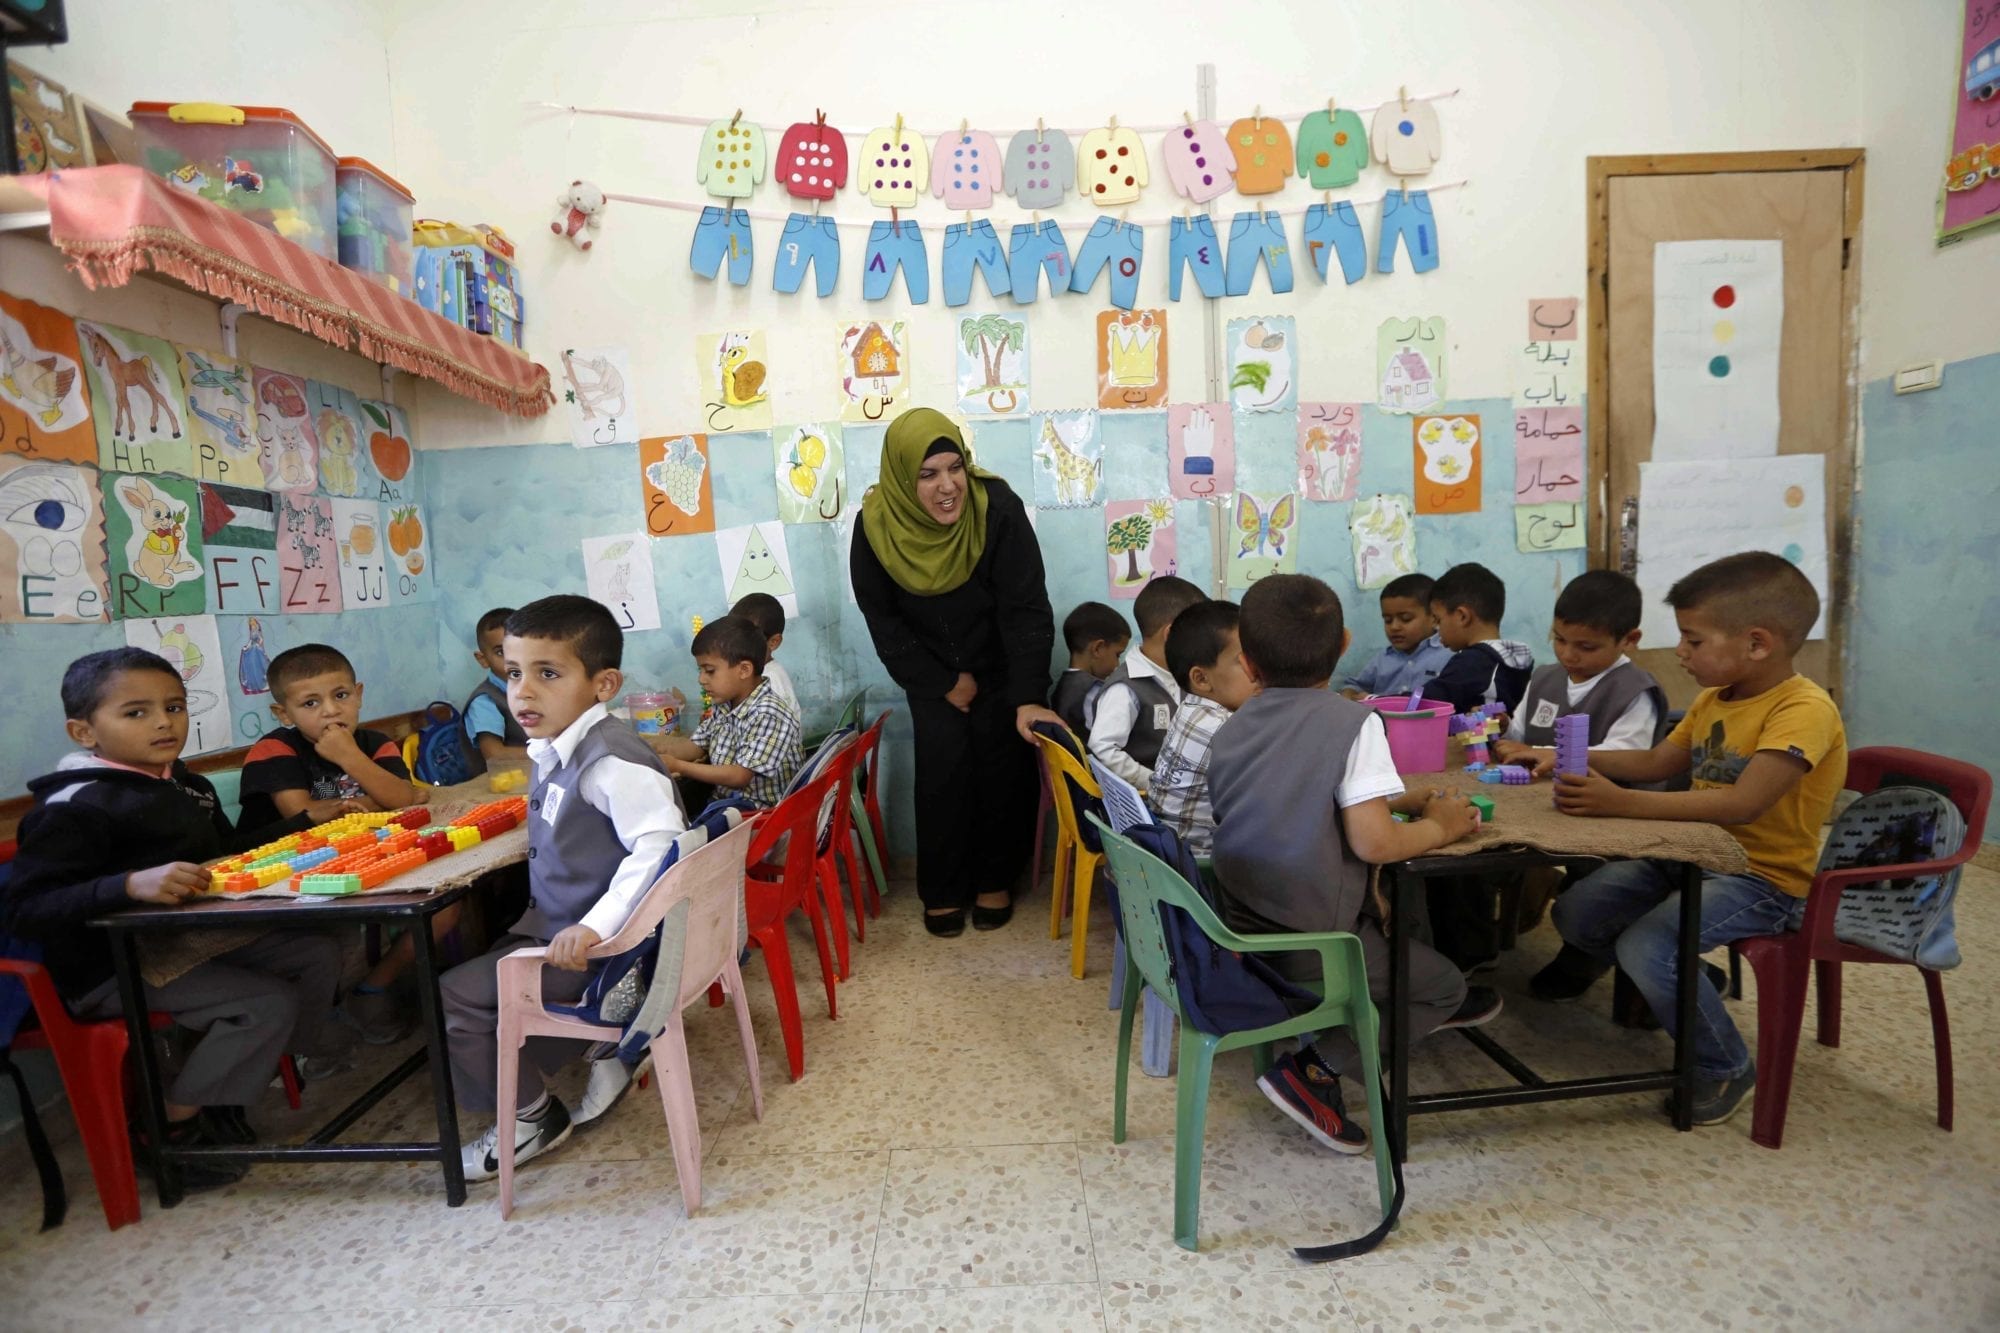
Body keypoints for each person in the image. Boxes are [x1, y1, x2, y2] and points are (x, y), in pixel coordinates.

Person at [1, 649, 351, 1190]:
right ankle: (170, 1124)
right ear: (83, 730)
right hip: (108, 969)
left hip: (180, 942)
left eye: (175, 706)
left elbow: (220, 857)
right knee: (266, 1001)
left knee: (316, 952)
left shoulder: (181, 786)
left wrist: (304, 825)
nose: (164, 722)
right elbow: (26, 908)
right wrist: (126, 885)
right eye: (135, 712)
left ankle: (230, 1083)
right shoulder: (74, 806)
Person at [1534, 552, 1847, 1126]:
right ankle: (1690, 981)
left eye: (1693, 640)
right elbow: (1656, 760)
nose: (1681, 651)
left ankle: (1723, 1065)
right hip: (1689, 855)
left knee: (1647, 947)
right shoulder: (1712, 698)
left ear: (1758, 643)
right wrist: (1553, 755)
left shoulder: (1803, 710)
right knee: (1578, 913)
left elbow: (1743, 803)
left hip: (1759, 875)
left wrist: (1623, 805)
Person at [1206, 575, 1490, 1154]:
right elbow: (1375, 846)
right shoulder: (1355, 722)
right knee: (1443, 986)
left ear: (1247, 662)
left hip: (1242, 927)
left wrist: (1402, 797)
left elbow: (1296, 792)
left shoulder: (1231, 729)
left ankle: (1374, 1009)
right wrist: (1442, 826)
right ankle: (1314, 1071)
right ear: (1343, 644)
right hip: (1316, 947)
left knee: (1409, 934)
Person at [443, 595, 688, 1179]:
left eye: (547, 674)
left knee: (454, 994)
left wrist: (595, 926)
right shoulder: (561, 746)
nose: (523, 692)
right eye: (513, 672)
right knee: (491, 955)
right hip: (570, 932)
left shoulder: (609, 760)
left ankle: (530, 1120)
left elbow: (661, 846)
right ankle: (590, 1049)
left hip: (604, 954)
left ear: (604, 685)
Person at [850, 406, 1061, 938]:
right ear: (902, 478)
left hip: (1003, 668)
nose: (947, 487)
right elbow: (884, 621)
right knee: (942, 778)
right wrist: (943, 682)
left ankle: (995, 880)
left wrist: (1029, 693)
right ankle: (942, 890)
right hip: (930, 676)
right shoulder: (874, 528)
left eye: (954, 468)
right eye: (927, 475)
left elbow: (1027, 607)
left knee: (1001, 771)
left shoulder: (998, 509)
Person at [237, 643, 434, 1043]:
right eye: (310, 703)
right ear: (283, 713)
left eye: (341, 696)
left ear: (358, 694)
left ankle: (371, 989)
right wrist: (371, 792)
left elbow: (401, 799)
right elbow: (302, 813)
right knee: (336, 939)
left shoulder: (375, 741)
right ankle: (318, 1028)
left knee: (442, 905)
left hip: (358, 857)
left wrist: (351, 757)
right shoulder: (274, 748)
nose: (330, 711)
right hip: (286, 876)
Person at [657, 614, 803, 808]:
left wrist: (678, 766)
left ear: (744, 670)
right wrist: (656, 751)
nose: (701, 679)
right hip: (726, 803)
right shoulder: (725, 704)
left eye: (709, 671)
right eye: (699, 671)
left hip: (760, 815)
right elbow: (696, 746)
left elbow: (740, 776)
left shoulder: (769, 713)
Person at [1148, 600, 1253, 856]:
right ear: (1201, 679)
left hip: (1166, 846)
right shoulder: (1225, 729)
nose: (1258, 670)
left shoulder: (1189, 708)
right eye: (1244, 661)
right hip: (1199, 864)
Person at [1088, 576, 1207, 792]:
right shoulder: (1125, 688)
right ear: (1170, 634)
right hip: (1152, 803)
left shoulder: (1178, 675)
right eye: (1197, 635)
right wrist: (1154, 782)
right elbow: (1103, 748)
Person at [1425, 563, 1534, 714]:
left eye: (1438, 620)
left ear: (1462, 616)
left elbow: (1428, 701)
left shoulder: (1472, 662)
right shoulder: (1514, 658)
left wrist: (1382, 703)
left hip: (1483, 737)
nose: (1436, 629)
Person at [1340, 573, 1453, 699]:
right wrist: (1349, 696)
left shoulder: (1449, 655)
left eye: (1406, 619)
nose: (1394, 627)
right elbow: (1354, 686)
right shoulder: (1383, 659)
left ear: (1434, 618)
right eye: (1388, 620)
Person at [462, 606, 530, 774]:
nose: (512, 659)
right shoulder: (484, 701)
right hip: (504, 782)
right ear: (483, 659)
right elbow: (495, 754)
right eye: (501, 652)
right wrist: (548, 752)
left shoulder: (538, 688)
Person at [1050, 601, 1129, 737]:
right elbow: (1105, 739)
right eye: (1117, 655)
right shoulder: (1094, 690)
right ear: (1098, 648)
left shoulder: (1062, 686)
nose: (1117, 664)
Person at [730, 592, 801, 722]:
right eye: (733, 637)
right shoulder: (755, 671)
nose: (736, 646)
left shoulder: (771, 681)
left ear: (773, 642)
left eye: (747, 639)